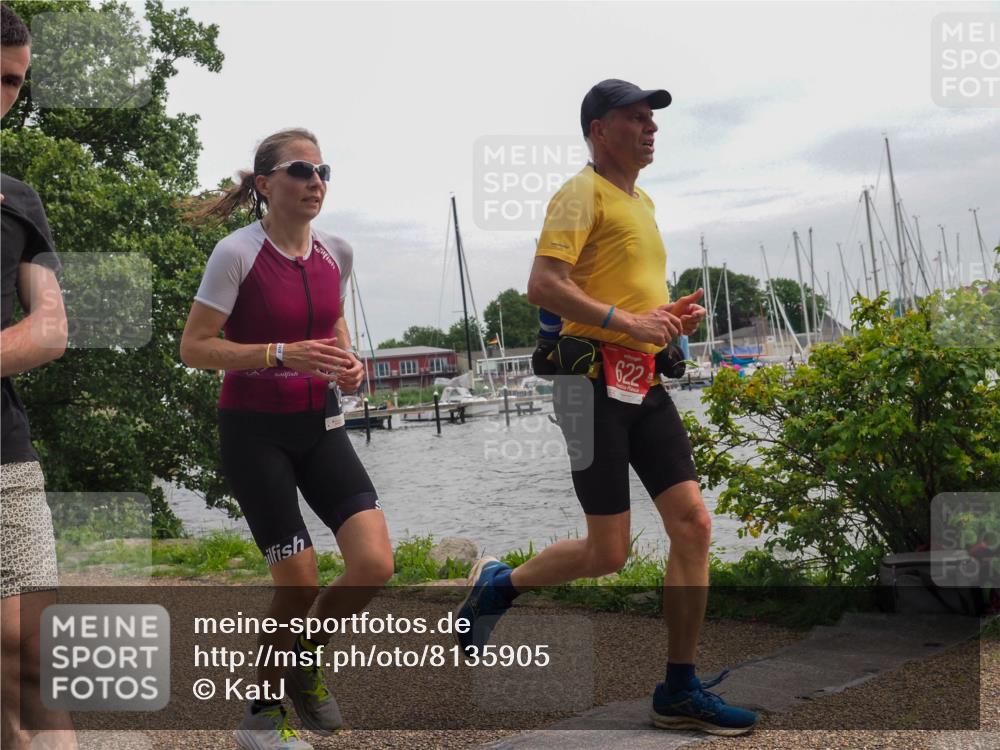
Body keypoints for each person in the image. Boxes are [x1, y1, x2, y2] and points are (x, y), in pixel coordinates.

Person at [457, 79, 758, 736]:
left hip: (642, 381)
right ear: (599, 128)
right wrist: (629, 320)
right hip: (587, 385)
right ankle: (500, 585)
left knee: (694, 526)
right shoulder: (579, 194)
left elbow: (626, 294)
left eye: (654, 120)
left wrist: (665, 319)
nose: (651, 129)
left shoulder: (641, 200)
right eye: (636, 118)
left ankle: (678, 688)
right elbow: (543, 284)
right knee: (608, 553)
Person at [181, 128, 394, 750]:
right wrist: (276, 354)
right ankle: (262, 717)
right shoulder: (236, 254)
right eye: (301, 170)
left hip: (321, 426)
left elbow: (330, 322)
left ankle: (301, 657)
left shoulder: (338, 252)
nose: (316, 181)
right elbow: (194, 347)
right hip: (254, 433)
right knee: (298, 582)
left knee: (375, 564)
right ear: (266, 183)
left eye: (324, 170)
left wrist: (350, 365)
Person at [1, 4, 77, 748]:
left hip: (4, 455)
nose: (0, 96)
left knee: (31, 650)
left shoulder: (18, 199)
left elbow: (50, 327)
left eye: (11, 83)